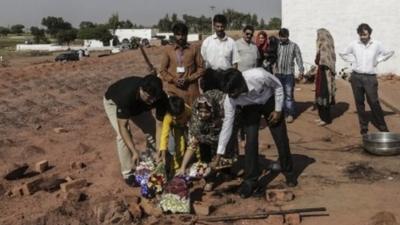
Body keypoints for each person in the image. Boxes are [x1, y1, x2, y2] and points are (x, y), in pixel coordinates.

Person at [214, 68, 296, 198]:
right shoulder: (230, 99)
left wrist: (278, 110)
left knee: (280, 138)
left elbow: (278, 86)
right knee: (250, 142)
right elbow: (227, 125)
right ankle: (250, 181)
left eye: (234, 92)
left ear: (241, 84)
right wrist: (219, 153)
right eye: (229, 93)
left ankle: (289, 172)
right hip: (250, 109)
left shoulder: (259, 75)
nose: (232, 96)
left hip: (269, 102)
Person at [103, 74, 168, 185]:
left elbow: (159, 125)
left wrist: (159, 149)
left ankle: (152, 160)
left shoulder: (160, 97)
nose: (152, 101)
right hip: (114, 103)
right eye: (149, 97)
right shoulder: (126, 96)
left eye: (154, 98)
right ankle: (128, 172)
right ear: (141, 90)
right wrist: (134, 152)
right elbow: (123, 126)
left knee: (151, 129)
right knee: (122, 135)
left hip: (139, 107)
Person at [339, 23, 394, 135]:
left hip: (370, 78)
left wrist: (378, 60)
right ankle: (363, 126)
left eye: (365, 34)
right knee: (359, 102)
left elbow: (389, 53)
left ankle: (382, 126)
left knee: (374, 102)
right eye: (361, 34)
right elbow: (343, 54)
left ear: (369, 33)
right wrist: (353, 61)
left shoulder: (377, 44)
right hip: (356, 77)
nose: (363, 36)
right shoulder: (354, 44)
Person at [176, 89, 226, 191]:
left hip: (220, 129)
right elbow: (192, 146)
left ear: (212, 110)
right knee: (204, 148)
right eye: (201, 111)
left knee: (224, 151)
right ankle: (209, 178)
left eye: (206, 112)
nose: (203, 114)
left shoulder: (222, 114)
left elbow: (224, 137)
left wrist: (217, 159)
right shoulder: (196, 121)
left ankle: (226, 171)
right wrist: (182, 167)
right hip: (206, 134)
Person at [159, 22, 204, 105]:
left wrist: (189, 79)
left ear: (186, 35)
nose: (181, 37)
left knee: (192, 116)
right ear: (174, 35)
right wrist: (173, 79)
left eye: (183, 35)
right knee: (176, 116)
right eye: (178, 35)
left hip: (191, 92)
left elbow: (201, 69)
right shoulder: (168, 50)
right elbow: (162, 71)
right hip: (174, 91)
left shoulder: (194, 49)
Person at [201, 14, 240, 91]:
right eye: (217, 26)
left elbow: (235, 63)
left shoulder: (231, 42)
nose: (219, 29)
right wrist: (203, 77)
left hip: (226, 77)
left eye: (222, 26)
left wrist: (233, 78)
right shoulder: (207, 41)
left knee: (225, 101)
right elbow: (202, 61)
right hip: (210, 77)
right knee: (210, 100)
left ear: (225, 26)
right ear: (214, 26)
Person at [276, 28, 305, 123]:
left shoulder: (294, 46)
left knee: (289, 95)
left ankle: (290, 114)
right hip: (278, 73)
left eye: (284, 37)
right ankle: (281, 113)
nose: (282, 39)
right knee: (279, 94)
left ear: (288, 36)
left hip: (289, 74)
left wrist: (301, 70)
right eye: (281, 37)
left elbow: (298, 58)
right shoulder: (277, 45)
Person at [158, 96, 191, 176]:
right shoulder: (168, 117)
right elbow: (164, 135)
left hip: (189, 125)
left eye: (179, 117)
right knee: (179, 147)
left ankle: (196, 165)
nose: (175, 118)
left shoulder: (189, 111)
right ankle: (176, 169)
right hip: (177, 128)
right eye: (174, 117)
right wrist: (163, 150)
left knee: (192, 144)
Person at [314, 28, 337, 126]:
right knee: (319, 94)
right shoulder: (321, 47)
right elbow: (317, 60)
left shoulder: (326, 46)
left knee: (324, 95)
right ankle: (321, 117)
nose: (317, 38)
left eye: (319, 35)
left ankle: (326, 119)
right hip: (320, 72)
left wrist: (320, 61)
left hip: (325, 74)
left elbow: (326, 61)